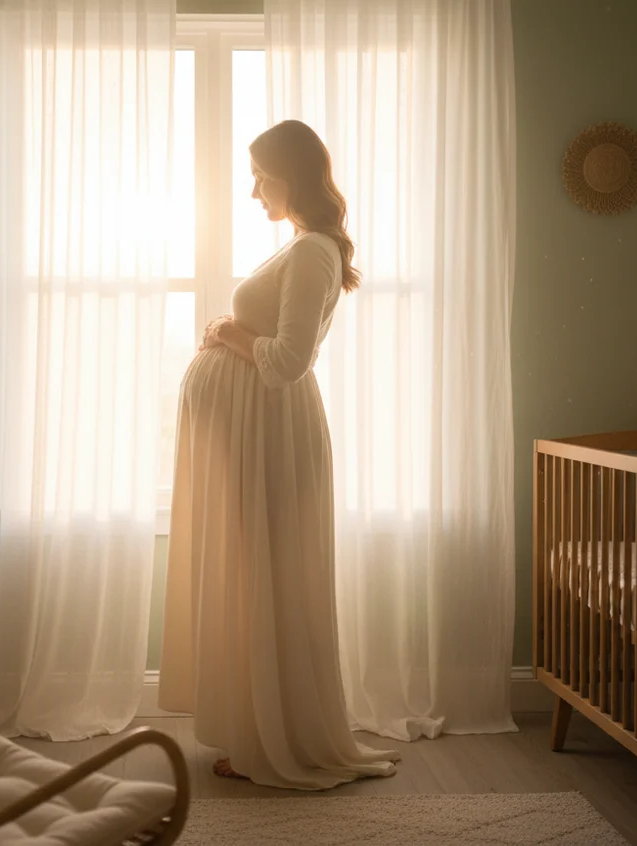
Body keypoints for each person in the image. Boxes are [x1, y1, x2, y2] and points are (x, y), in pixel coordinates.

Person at [157, 119, 400, 790]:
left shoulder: (313, 251)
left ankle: (272, 743)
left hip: (267, 433)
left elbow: (288, 360)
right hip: (251, 434)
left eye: (262, 176)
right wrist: (230, 335)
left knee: (265, 578)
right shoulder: (301, 247)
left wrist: (232, 334)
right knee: (251, 578)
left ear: (293, 176)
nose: (252, 189)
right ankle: (256, 730)